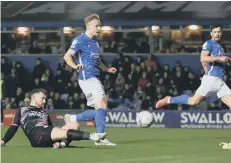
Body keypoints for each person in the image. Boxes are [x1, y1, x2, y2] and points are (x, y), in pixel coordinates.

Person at [63, 14, 117, 146]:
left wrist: (107, 69)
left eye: (100, 25)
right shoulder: (80, 39)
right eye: (96, 25)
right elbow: (67, 56)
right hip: (86, 76)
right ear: (88, 26)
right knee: (102, 103)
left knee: (101, 110)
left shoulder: (95, 43)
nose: (99, 27)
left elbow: (96, 60)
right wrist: (75, 66)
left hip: (94, 76)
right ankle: (100, 138)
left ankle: (73, 118)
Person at [155, 25, 231, 110]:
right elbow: (203, 58)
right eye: (215, 32)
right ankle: (168, 100)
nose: (217, 34)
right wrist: (219, 58)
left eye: (219, 32)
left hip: (219, 81)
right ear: (211, 33)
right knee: (193, 101)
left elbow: (205, 63)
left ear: (221, 33)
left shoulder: (220, 47)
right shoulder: (209, 43)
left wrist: (206, 74)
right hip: (212, 80)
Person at [1, 88, 107, 148]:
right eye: (42, 98)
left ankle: (61, 144)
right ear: (33, 97)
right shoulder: (22, 110)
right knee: (60, 132)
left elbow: (50, 127)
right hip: (36, 135)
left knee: (75, 125)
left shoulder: (44, 112)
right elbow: (13, 126)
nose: (44, 101)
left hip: (46, 133)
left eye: (45, 99)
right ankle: (92, 136)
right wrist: (3, 140)